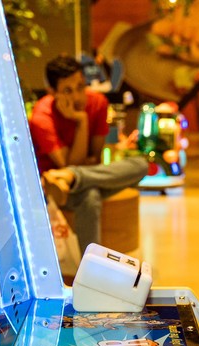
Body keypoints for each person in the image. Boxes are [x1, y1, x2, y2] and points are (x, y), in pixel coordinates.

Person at [29, 54, 148, 254]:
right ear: (52, 92)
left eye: (80, 86)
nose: (77, 97)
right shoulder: (42, 116)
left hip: (73, 178)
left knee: (141, 164)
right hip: (53, 189)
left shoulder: (98, 102)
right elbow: (71, 162)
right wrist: (82, 121)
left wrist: (73, 173)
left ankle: (73, 178)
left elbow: (95, 157)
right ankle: (93, 269)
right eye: (67, 90)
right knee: (90, 196)